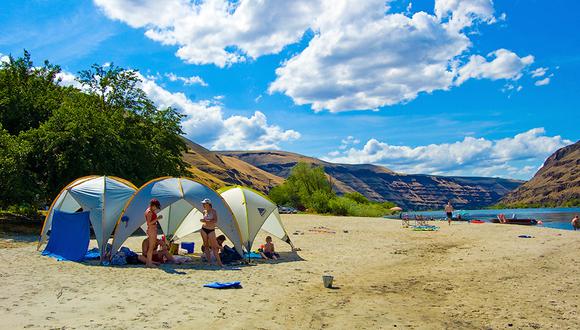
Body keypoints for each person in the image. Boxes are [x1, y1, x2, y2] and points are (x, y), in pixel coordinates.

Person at [200, 198, 223, 267]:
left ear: (208, 204)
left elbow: (215, 221)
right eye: (203, 204)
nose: (203, 205)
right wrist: (205, 221)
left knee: (214, 247)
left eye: (204, 203)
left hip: (211, 230)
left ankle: (220, 263)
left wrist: (205, 221)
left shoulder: (213, 211)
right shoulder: (204, 211)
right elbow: (206, 220)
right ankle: (209, 262)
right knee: (206, 246)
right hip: (204, 229)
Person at [144, 199, 163, 267]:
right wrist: (157, 219)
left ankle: (148, 263)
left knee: (151, 247)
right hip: (152, 229)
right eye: (156, 207)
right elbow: (149, 223)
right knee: (151, 247)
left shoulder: (149, 210)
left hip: (152, 229)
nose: (156, 208)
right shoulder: (149, 212)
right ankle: (149, 263)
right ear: (153, 205)